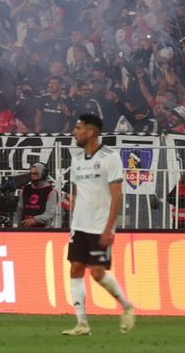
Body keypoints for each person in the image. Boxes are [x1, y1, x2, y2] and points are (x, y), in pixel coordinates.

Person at [63, 114, 135, 336]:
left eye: (78, 128)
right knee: (75, 268)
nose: (75, 132)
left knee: (97, 273)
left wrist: (109, 228)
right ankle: (82, 323)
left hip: (100, 226)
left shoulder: (109, 157)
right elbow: (77, 191)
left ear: (91, 132)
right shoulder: (76, 159)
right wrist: (73, 208)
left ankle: (126, 306)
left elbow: (117, 195)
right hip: (80, 225)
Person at [14, 161, 59, 228]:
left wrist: (35, 220)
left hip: (43, 229)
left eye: (35, 174)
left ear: (43, 174)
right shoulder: (24, 190)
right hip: (24, 228)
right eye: (31, 173)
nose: (32, 176)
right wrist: (16, 224)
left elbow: (49, 213)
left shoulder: (51, 192)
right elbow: (19, 209)